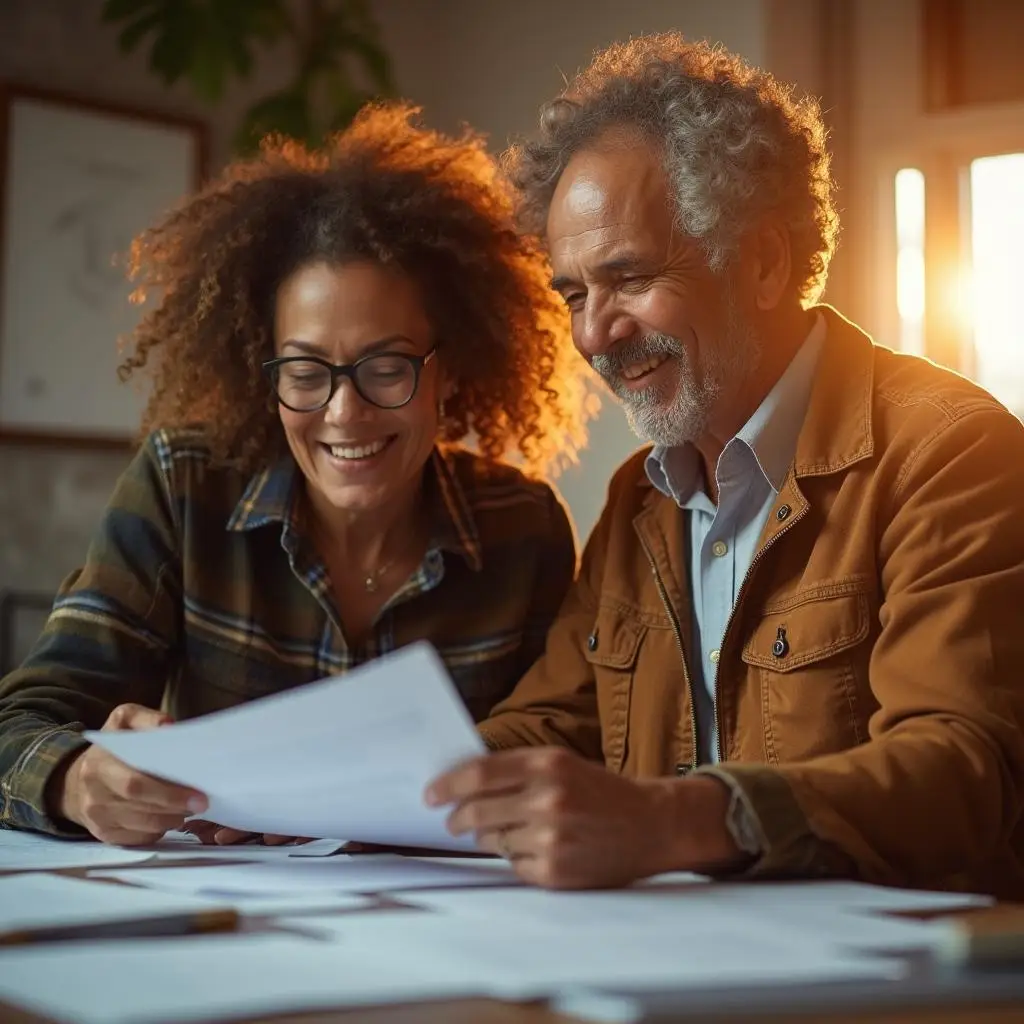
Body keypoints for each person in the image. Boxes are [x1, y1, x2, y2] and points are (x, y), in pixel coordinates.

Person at [426, 33, 1024, 899]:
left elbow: (962, 770)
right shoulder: (643, 492)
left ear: (767, 262)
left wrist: (675, 822)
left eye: (628, 277)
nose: (594, 335)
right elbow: (555, 724)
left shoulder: (953, 454)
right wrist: (310, 795)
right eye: (575, 295)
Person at [0, 103, 587, 848]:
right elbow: (20, 722)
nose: (345, 412)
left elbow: (557, 746)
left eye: (386, 367)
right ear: (264, 373)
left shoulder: (524, 529)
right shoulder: (184, 490)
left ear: (448, 371)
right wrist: (76, 780)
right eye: (305, 372)